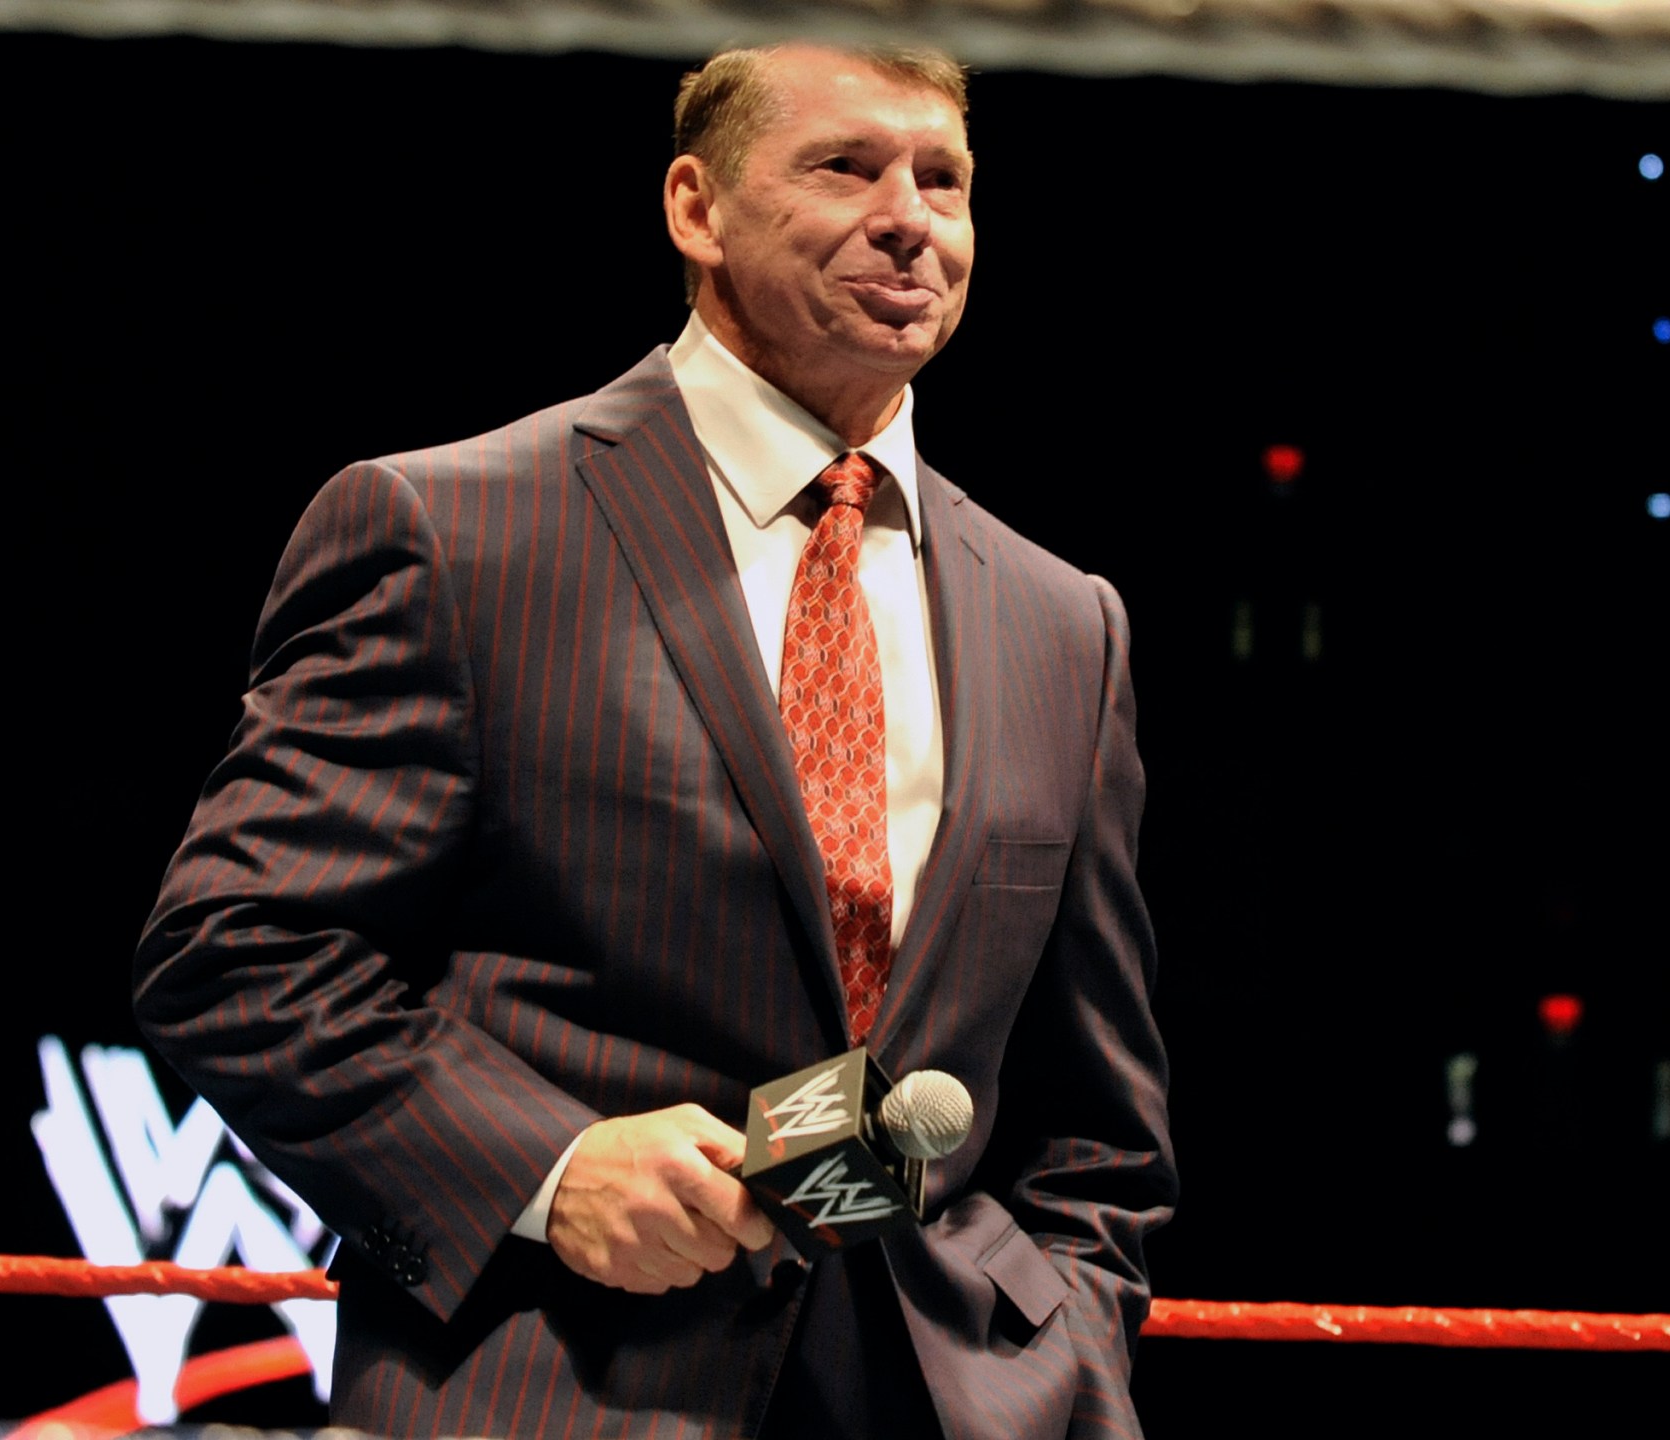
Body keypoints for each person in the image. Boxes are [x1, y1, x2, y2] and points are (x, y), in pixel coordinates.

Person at [135, 40, 1174, 1440]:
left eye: (944, 178)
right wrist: (548, 1172)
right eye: (844, 167)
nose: (909, 216)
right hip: (557, 1384)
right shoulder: (456, 532)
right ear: (696, 208)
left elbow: (1096, 1121)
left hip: (948, 1402)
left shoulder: (1066, 625)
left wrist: (1061, 1354)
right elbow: (237, 956)